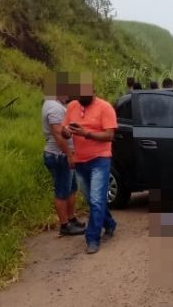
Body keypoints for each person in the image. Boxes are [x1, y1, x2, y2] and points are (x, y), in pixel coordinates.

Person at [62, 73, 118, 254]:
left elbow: (109, 135)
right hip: (80, 160)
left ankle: (92, 238)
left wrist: (86, 133)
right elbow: (64, 130)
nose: (80, 98)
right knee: (92, 200)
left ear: (93, 91)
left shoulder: (105, 107)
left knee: (95, 199)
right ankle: (109, 223)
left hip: (100, 159)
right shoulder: (72, 106)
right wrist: (66, 132)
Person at [42, 73, 85, 236]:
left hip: (62, 154)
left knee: (71, 188)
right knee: (61, 190)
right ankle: (64, 225)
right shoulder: (53, 107)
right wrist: (69, 154)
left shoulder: (55, 104)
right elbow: (57, 134)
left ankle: (71, 219)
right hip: (58, 155)